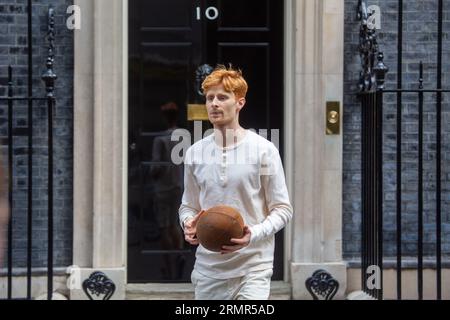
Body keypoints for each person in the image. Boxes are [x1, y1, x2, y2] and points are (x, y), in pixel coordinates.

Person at [178, 65, 293, 300]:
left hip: (253, 268)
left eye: (222, 97)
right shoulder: (194, 153)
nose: (214, 104)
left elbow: (282, 209)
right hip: (209, 272)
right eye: (210, 98)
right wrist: (188, 223)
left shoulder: (264, 150)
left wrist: (255, 233)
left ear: (240, 102)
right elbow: (188, 205)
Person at [150, 102, 185, 280]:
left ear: (164, 117)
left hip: (163, 187)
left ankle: (168, 262)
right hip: (179, 185)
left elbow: (157, 166)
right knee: (176, 223)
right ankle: (179, 254)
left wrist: (150, 173)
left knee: (164, 225)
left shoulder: (160, 139)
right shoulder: (183, 137)